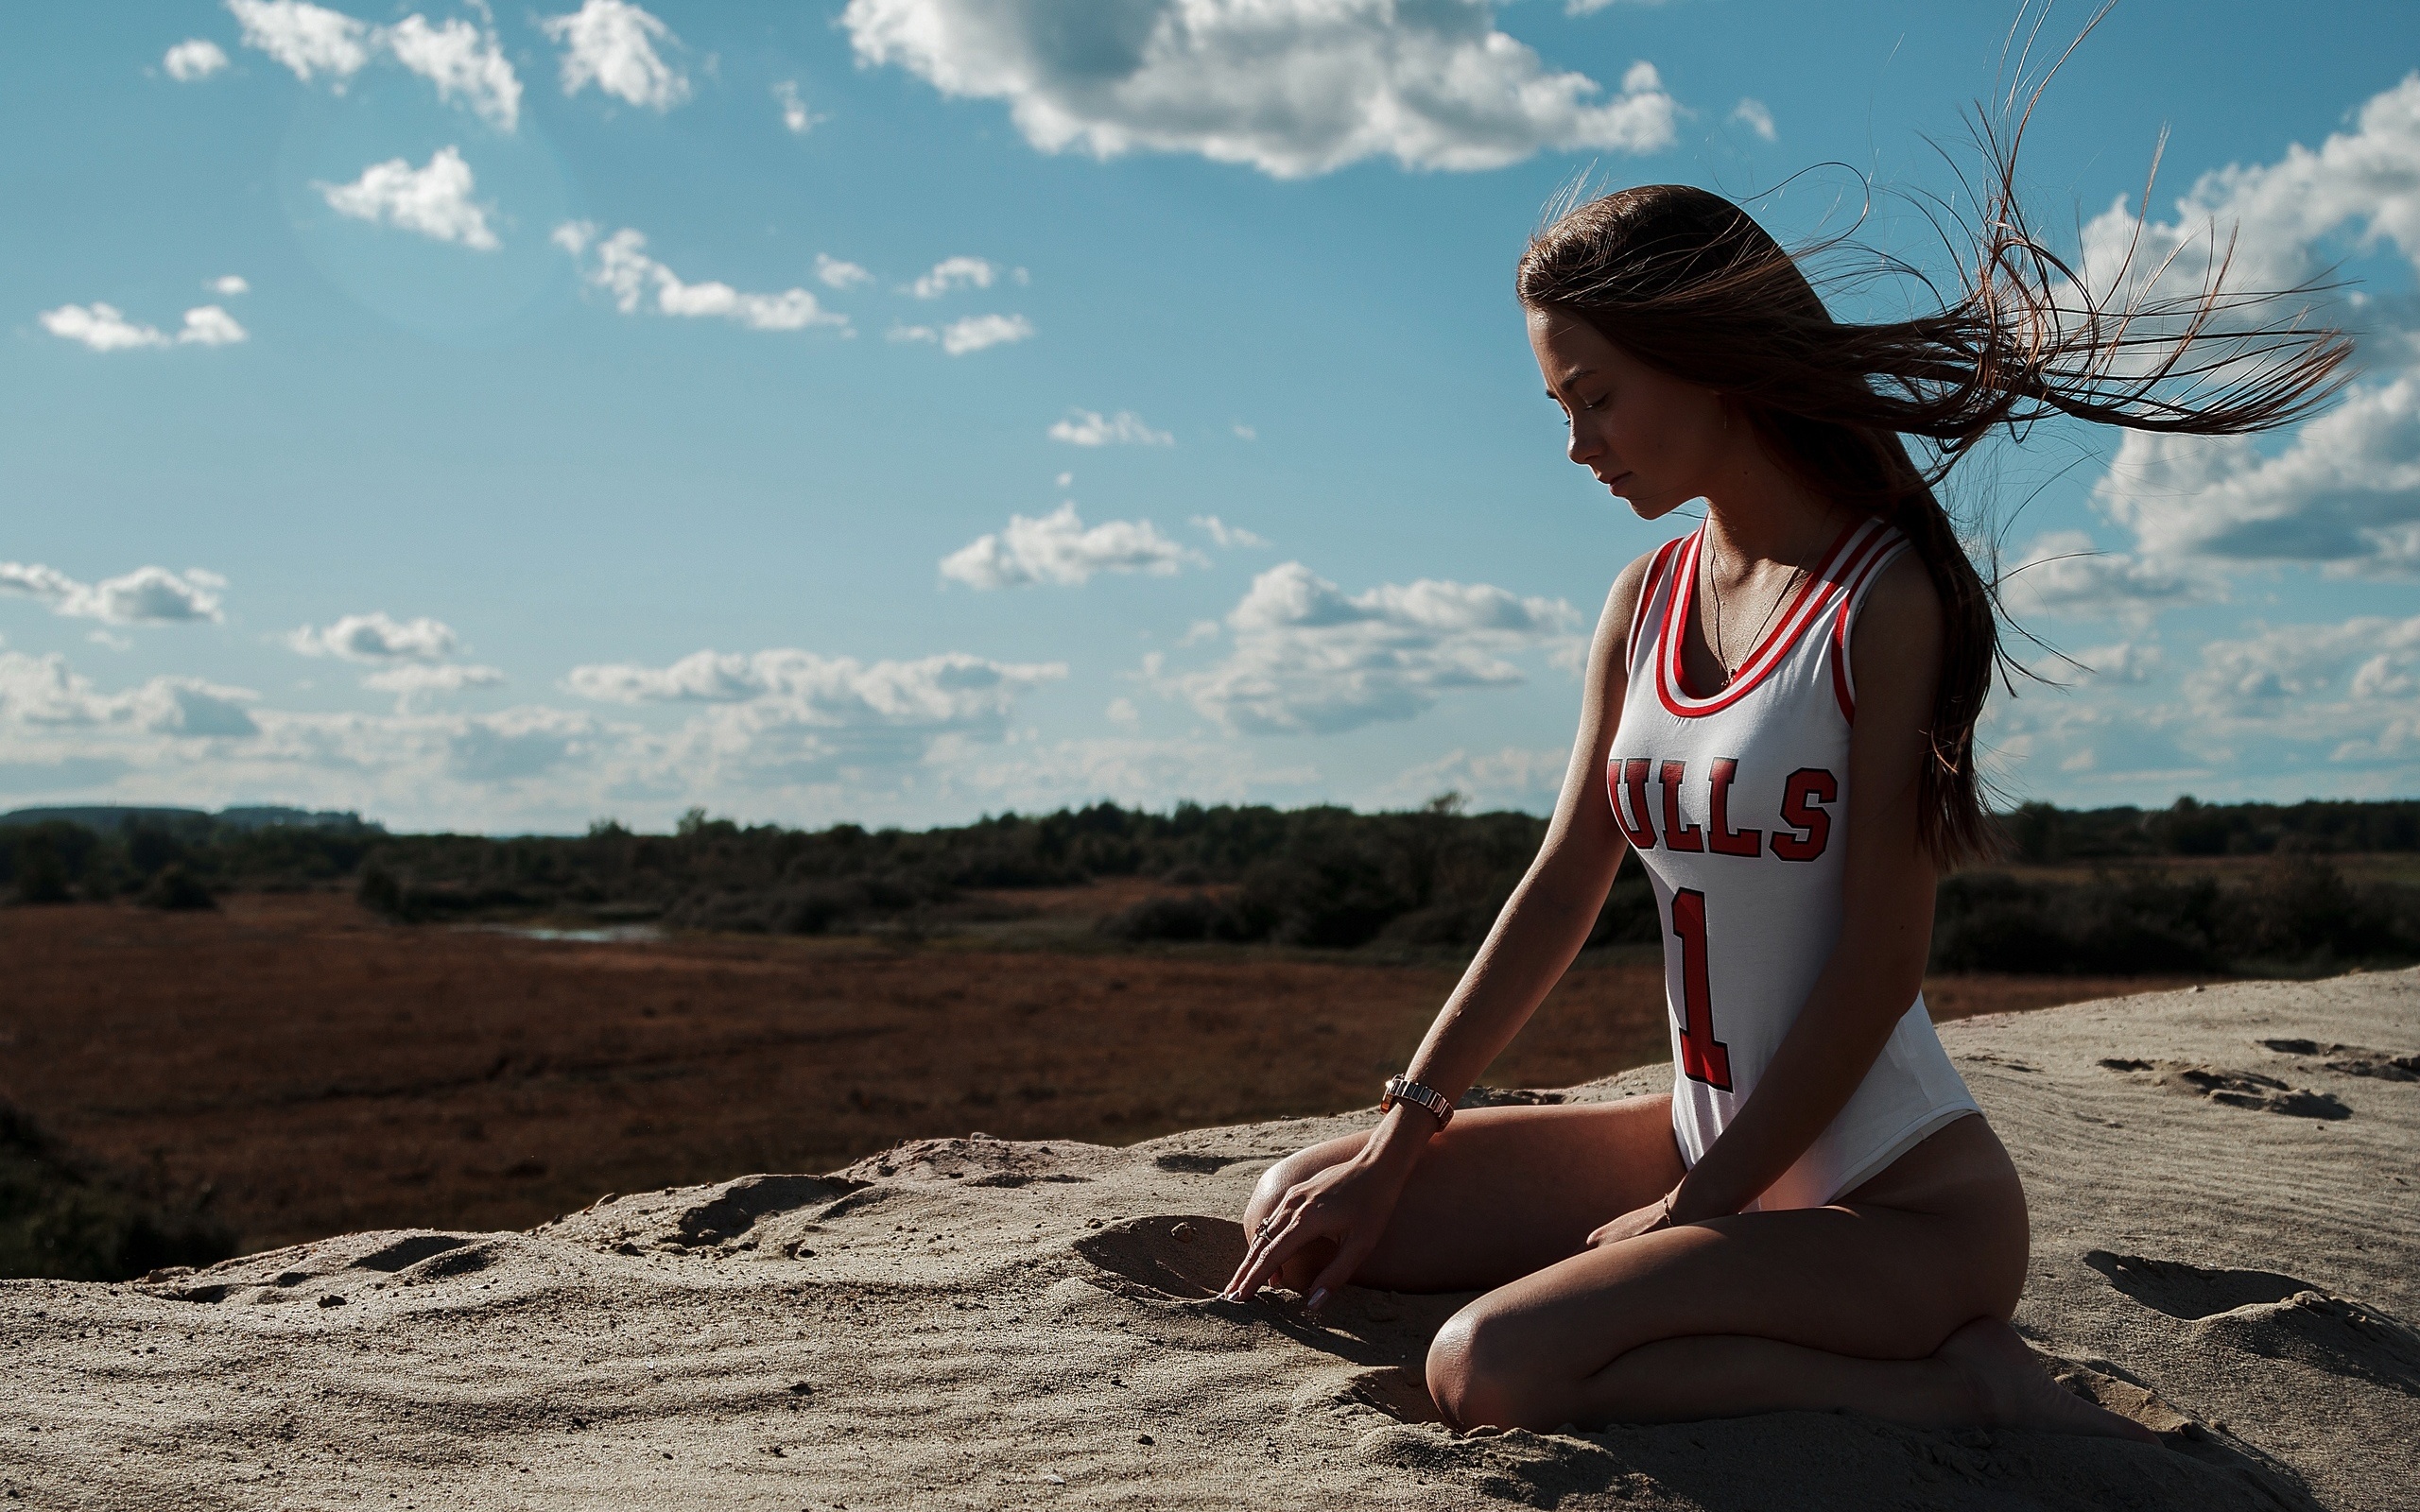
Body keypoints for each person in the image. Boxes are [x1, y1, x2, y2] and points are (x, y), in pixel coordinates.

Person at [1219, 144, 2348, 1435]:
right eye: (1558, 406)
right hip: (1705, 1145)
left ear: (1709, 365)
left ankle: (1953, 1389)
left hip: (1890, 1203)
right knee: (1293, 1207)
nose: (1577, 446)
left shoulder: (1881, 601)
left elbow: (1878, 961)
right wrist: (1397, 1139)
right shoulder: (1645, 599)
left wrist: (1689, 1221)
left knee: (1489, 1370)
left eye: (1595, 397)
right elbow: (1562, 881)